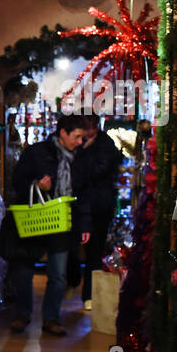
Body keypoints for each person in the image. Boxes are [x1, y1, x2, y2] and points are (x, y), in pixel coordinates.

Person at [5, 114, 91, 336]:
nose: (80, 142)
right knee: (23, 272)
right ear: (63, 133)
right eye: (77, 137)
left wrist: (84, 225)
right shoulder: (36, 152)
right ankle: (22, 314)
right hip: (35, 220)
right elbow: (17, 182)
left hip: (62, 222)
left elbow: (84, 194)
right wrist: (36, 185)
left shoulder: (81, 158)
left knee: (58, 275)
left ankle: (51, 318)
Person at [71, 115, 122, 311]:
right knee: (78, 250)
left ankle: (89, 295)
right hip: (85, 204)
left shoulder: (103, 145)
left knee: (94, 251)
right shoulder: (84, 144)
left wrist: (82, 155)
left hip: (98, 207)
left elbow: (98, 171)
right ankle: (80, 287)